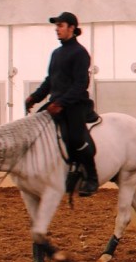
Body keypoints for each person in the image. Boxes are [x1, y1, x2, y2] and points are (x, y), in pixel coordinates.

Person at [25, 11, 99, 196]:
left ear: (72, 28)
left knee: (75, 138)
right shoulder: (56, 53)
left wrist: (62, 102)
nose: (57, 29)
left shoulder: (80, 53)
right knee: (35, 127)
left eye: (60, 25)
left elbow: (81, 84)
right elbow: (50, 81)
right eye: (56, 26)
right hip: (56, 103)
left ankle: (92, 177)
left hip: (75, 103)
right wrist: (34, 98)